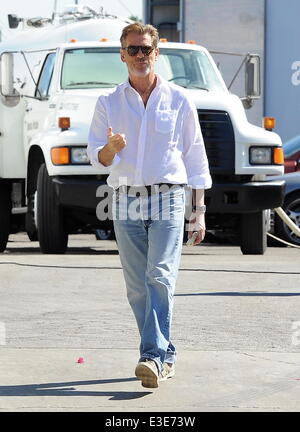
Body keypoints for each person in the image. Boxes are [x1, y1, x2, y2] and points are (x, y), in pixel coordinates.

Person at [87, 22, 212, 388]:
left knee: (159, 275)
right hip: (125, 197)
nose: (140, 56)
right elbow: (96, 156)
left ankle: (152, 357)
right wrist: (109, 149)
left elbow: (195, 155)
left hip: (170, 196)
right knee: (137, 287)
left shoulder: (178, 99)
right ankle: (164, 353)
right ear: (122, 55)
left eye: (147, 50)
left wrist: (198, 211)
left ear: (157, 54)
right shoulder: (108, 102)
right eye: (133, 49)